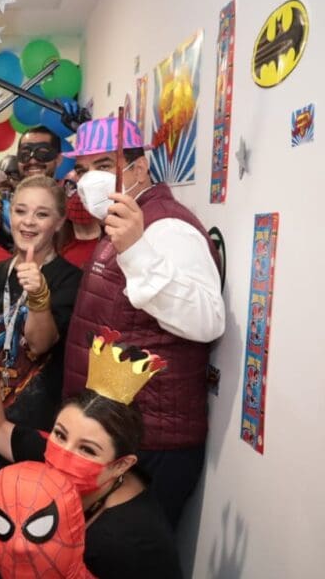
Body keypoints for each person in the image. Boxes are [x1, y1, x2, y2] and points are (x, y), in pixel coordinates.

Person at [62, 117, 225, 528]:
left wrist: (136, 249)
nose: (90, 179)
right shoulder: (121, 220)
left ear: (139, 166)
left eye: (104, 165)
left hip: (152, 440)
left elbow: (207, 320)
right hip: (116, 433)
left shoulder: (167, 226)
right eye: (82, 169)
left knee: (132, 550)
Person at [0, 323, 183, 579]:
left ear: (121, 465)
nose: (64, 454)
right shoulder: (51, 453)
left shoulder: (125, 543)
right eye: (60, 434)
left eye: (87, 450)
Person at [0, 175, 82, 431]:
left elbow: (40, 344)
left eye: (42, 214)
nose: (28, 221)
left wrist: (38, 295)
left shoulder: (70, 278)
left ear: (59, 222)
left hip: (35, 421)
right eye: (20, 211)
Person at [57, 169, 102, 270]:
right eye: (72, 188)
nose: (79, 198)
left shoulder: (112, 246)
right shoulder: (53, 243)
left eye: (86, 190)